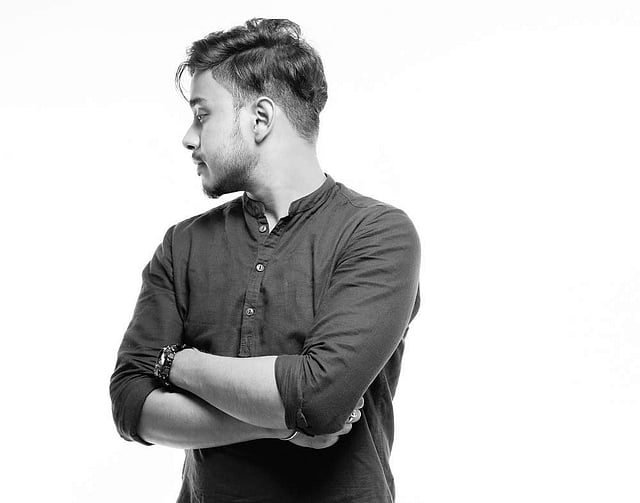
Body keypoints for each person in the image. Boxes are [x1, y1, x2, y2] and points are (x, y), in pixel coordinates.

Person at [110, 18, 421, 503]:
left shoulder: (377, 234)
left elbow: (320, 401)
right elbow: (131, 404)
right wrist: (280, 424)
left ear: (260, 119)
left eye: (202, 115)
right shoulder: (182, 244)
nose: (189, 138)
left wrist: (175, 363)